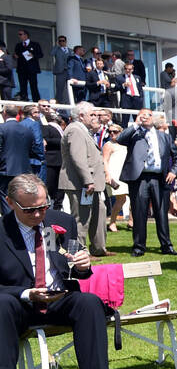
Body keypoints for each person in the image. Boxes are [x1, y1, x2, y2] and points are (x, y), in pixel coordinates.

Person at [0, 175, 127, 369]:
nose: (39, 215)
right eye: (30, 210)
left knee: (88, 302)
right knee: (2, 303)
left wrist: (82, 265)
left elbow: (77, 270)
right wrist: (27, 293)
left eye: (43, 206)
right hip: (18, 303)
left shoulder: (61, 221)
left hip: (58, 298)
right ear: (10, 203)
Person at [118, 110, 177, 257]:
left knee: (161, 213)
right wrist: (136, 124)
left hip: (159, 178)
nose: (145, 117)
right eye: (142, 115)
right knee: (139, 213)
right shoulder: (134, 134)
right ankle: (139, 247)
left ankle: (166, 246)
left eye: (148, 115)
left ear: (153, 118)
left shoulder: (164, 137)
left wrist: (173, 171)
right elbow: (120, 139)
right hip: (140, 178)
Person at [57, 102, 108, 256]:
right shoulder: (75, 130)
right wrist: (88, 181)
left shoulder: (84, 130)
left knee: (99, 212)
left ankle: (99, 249)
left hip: (90, 184)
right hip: (81, 183)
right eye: (91, 114)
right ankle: (78, 253)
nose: (95, 117)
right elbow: (77, 158)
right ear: (80, 116)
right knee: (81, 219)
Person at [101, 122, 129, 233]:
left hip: (125, 174)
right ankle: (112, 222)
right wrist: (107, 175)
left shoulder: (125, 144)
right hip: (114, 174)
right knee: (121, 199)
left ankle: (131, 222)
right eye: (110, 131)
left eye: (115, 131)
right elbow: (104, 161)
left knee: (132, 199)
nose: (112, 133)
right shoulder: (108, 145)